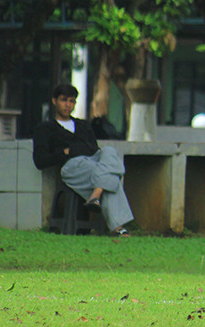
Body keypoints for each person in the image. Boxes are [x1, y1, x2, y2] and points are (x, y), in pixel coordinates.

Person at [32, 84, 133, 237]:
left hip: (93, 161)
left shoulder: (83, 125)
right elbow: (40, 161)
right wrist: (63, 153)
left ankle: (96, 195)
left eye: (71, 101)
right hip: (72, 165)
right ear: (54, 101)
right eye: (64, 100)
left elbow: (95, 148)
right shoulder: (45, 128)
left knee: (109, 151)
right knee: (111, 176)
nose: (68, 105)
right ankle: (117, 227)